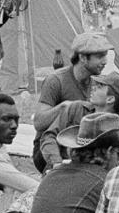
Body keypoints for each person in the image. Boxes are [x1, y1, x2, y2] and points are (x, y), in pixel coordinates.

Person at [32, 32, 114, 174]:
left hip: (78, 147)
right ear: (82, 57)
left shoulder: (96, 84)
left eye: (105, 55)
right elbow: (38, 122)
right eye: (100, 56)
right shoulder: (56, 81)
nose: (105, 61)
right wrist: (65, 108)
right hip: (49, 150)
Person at [37, 71, 119, 172]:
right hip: (58, 171)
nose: (93, 88)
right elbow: (49, 136)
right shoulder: (75, 109)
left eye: (100, 86)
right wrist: (56, 162)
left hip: (94, 179)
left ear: (110, 99)